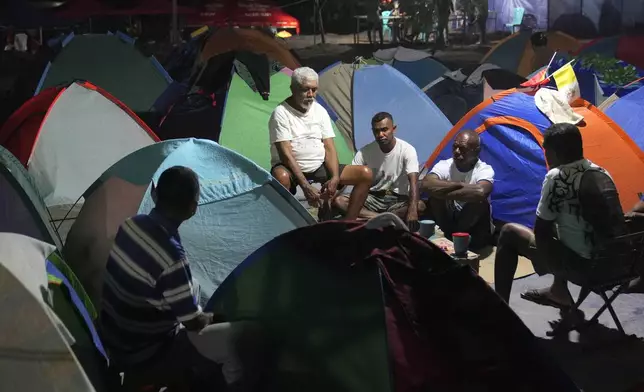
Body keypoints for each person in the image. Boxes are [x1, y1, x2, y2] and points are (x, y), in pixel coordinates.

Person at [99, 166, 262, 390]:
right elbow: (193, 323)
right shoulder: (172, 258)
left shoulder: (130, 225)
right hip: (146, 353)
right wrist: (216, 317)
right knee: (242, 335)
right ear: (193, 209)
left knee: (191, 289)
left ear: (154, 194)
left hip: (112, 337)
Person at [493, 123, 626, 305]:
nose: (546, 156)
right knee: (562, 226)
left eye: (546, 151)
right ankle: (558, 291)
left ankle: (499, 306)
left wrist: (542, 258)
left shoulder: (557, 176)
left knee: (509, 233)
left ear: (554, 153)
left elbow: (541, 232)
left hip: (586, 269)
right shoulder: (601, 172)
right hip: (618, 266)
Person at [269, 67, 372, 220]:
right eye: (305, 90)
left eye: (314, 90)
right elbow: (286, 154)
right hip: (291, 167)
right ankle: (285, 222)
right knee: (281, 177)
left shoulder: (319, 110)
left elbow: (329, 147)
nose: (310, 95)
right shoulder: (281, 113)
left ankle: (348, 222)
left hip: (318, 165)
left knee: (365, 174)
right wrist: (305, 186)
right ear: (293, 89)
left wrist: (335, 177)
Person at [333, 112, 423, 227]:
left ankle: (377, 218)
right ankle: (383, 218)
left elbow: (414, 182)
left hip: (397, 200)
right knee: (340, 201)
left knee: (419, 206)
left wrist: (412, 211)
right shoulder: (365, 152)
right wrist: (330, 196)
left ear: (393, 129)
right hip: (372, 198)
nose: (380, 134)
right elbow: (348, 179)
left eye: (384, 130)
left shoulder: (407, 150)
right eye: (376, 131)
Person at [421, 130, 494, 250]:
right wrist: (459, 185)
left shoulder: (484, 169)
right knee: (435, 197)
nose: (457, 151)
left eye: (462, 148)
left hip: (472, 225)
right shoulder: (445, 165)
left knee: (479, 202)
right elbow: (426, 183)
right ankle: (449, 236)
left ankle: (461, 238)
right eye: (455, 147)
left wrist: (444, 190)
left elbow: (481, 191)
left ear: (476, 151)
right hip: (450, 219)